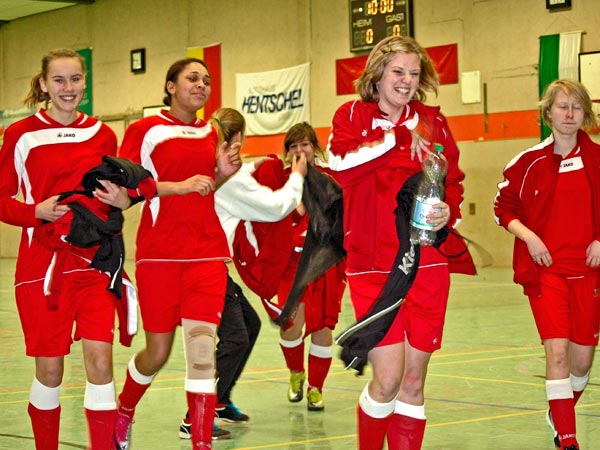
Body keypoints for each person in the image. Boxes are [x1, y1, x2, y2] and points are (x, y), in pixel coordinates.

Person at [327, 35, 471, 449]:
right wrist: (397, 139)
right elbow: (339, 166)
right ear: (377, 74)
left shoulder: (434, 121)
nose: (406, 80)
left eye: (413, 73)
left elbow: (452, 180)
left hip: (427, 262)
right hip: (373, 266)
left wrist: (449, 211)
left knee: (412, 381)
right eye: (397, 71)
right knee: (387, 379)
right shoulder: (351, 115)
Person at [0, 48, 135, 450]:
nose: (68, 88)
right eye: (58, 80)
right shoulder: (20, 135)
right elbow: (2, 199)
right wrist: (35, 211)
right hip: (42, 270)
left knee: (101, 364)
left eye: (75, 79)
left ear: (85, 82)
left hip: (95, 263)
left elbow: (117, 194)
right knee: (50, 372)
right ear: (44, 84)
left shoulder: (103, 133)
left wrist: (124, 199)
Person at [114, 58, 241, 450]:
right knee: (157, 352)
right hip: (160, 258)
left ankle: (200, 443)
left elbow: (205, 188)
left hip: (206, 255)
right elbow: (124, 191)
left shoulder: (211, 132)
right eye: (192, 78)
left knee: (202, 353)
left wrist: (222, 174)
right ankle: (123, 410)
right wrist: (176, 185)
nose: (201, 85)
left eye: (206, 80)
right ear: (170, 86)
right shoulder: (144, 130)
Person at [177, 107, 308, 440]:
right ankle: (195, 417)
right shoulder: (231, 182)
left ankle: (219, 400)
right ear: (236, 140)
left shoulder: (214, 167)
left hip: (205, 262)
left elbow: (237, 179)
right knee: (235, 336)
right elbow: (274, 207)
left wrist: (255, 165)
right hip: (200, 266)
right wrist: (297, 177)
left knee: (249, 325)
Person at [494, 79, 600, 450]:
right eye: (562, 106)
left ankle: (560, 411)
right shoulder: (527, 162)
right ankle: (568, 438)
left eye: (576, 107)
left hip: (589, 273)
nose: (569, 114)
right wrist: (530, 237)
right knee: (557, 354)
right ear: (548, 113)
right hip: (547, 272)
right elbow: (503, 209)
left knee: (582, 363)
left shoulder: (598, 159)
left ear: (586, 114)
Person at [276, 122, 346, 411]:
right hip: (291, 264)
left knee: (321, 327)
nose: (299, 150)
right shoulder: (280, 179)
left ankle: (316, 388)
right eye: (293, 146)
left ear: (314, 148)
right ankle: (296, 372)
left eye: (304, 144)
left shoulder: (331, 177)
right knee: (290, 325)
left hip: (324, 262)